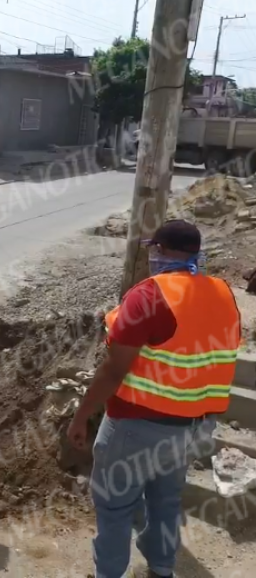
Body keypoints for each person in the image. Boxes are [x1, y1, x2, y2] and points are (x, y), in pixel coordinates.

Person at [67, 219, 241, 578]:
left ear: (159, 251)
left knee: (114, 507)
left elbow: (113, 371)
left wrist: (81, 415)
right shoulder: (223, 292)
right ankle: (162, 569)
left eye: (152, 250)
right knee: (165, 501)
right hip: (192, 427)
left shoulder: (149, 295)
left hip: (137, 424)